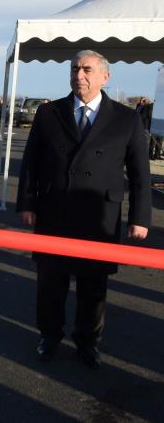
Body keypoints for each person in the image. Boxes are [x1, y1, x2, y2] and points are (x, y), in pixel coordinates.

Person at [17, 49, 150, 369]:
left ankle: (88, 342)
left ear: (105, 76)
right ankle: (49, 335)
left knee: (93, 285)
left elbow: (140, 172)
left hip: (98, 215)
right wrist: (27, 202)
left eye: (87, 69)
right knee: (51, 283)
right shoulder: (50, 114)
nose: (79, 75)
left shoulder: (125, 117)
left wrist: (139, 217)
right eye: (75, 69)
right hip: (54, 211)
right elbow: (31, 162)